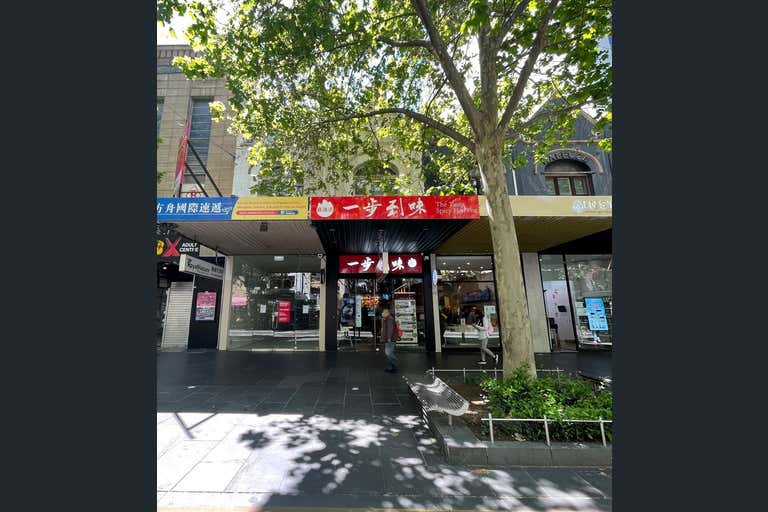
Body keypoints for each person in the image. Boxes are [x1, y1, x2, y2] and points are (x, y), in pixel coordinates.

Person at [380, 307, 399, 373]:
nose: (382, 313)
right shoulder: (385, 319)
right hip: (387, 339)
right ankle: (390, 367)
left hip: (390, 339)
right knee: (388, 353)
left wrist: (389, 338)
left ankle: (395, 366)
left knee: (389, 353)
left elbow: (390, 329)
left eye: (383, 312)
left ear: (387, 313)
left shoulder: (390, 319)